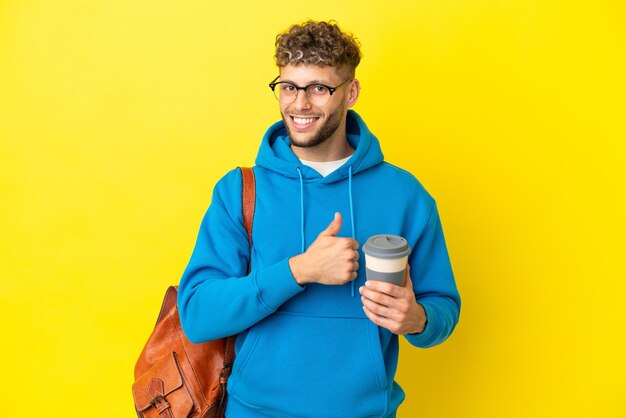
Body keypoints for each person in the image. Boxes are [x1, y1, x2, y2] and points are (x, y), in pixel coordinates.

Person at [178, 20, 461, 418]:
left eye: (319, 88)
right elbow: (198, 315)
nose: (300, 104)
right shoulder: (240, 191)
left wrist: (417, 319)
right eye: (289, 87)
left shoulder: (405, 195)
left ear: (351, 93)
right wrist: (300, 270)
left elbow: (443, 307)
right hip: (254, 411)